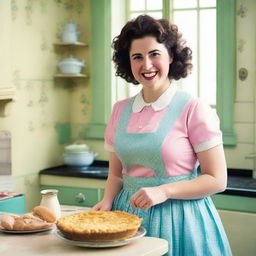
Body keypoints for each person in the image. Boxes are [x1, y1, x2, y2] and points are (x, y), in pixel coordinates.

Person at [92, 15, 232, 256]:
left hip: (181, 219)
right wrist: (107, 201)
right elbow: (116, 175)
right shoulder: (120, 110)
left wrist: (164, 191)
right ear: (128, 62)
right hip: (127, 217)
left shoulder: (193, 108)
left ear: (171, 56)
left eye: (154, 54)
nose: (146, 65)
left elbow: (217, 179)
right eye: (137, 57)